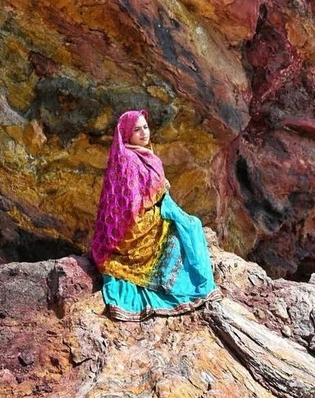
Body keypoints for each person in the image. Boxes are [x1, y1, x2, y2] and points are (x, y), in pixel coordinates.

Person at [91, 110, 220, 321]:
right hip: (133, 228)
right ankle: (182, 286)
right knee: (186, 230)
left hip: (145, 214)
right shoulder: (128, 160)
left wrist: (161, 194)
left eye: (145, 127)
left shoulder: (143, 155)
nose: (143, 133)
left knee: (190, 224)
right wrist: (160, 195)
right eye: (136, 129)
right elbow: (131, 204)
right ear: (126, 134)